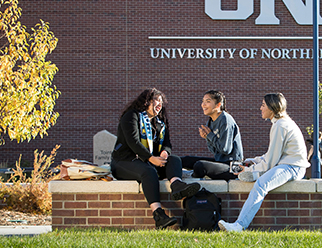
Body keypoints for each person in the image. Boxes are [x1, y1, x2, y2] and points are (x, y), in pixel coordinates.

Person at [218, 93, 309, 232]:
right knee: (259, 177)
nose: (260, 108)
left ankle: (239, 225)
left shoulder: (280, 126)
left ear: (272, 108)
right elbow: (271, 155)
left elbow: (271, 162)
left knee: (261, 183)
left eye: (263, 105)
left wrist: (249, 170)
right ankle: (239, 223)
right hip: (287, 165)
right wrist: (253, 161)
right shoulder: (280, 123)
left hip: (293, 167)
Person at [110, 88, 200, 229]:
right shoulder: (132, 116)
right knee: (148, 171)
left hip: (149, 161)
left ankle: (177, 185)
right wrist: (151, 159)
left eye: (161, 101)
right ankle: (158, 215)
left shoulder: (160, 123)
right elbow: (133, 142)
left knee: (174, 159)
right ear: (146, 101)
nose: (159, 104)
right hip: (124, 162)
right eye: (156, 100)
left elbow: (167, 144)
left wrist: (165, 153)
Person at [181, 90, 244, 180]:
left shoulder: (225, 119)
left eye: (208, 101)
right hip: (220, 162)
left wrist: (209, 135)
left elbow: (226, 150)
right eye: (203, 101)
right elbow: (215, 151)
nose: (203, 104)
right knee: (185, 160)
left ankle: (191, 174)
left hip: (232, 167)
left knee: (200, 165)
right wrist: (207, 137)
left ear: (218, 105)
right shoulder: (210, 122)